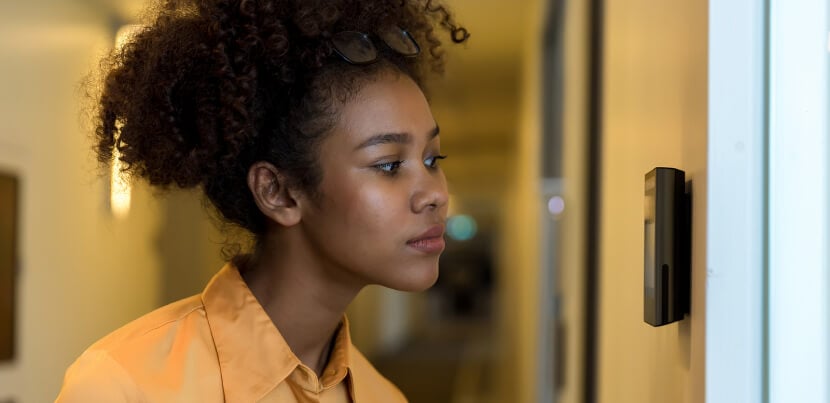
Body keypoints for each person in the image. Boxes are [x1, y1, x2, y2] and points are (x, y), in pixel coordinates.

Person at [56, 0, 468, 401]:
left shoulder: (385, 396)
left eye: (433, 159)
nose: (435, 193)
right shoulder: (122, 386)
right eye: (389, 165)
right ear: (279, 192)